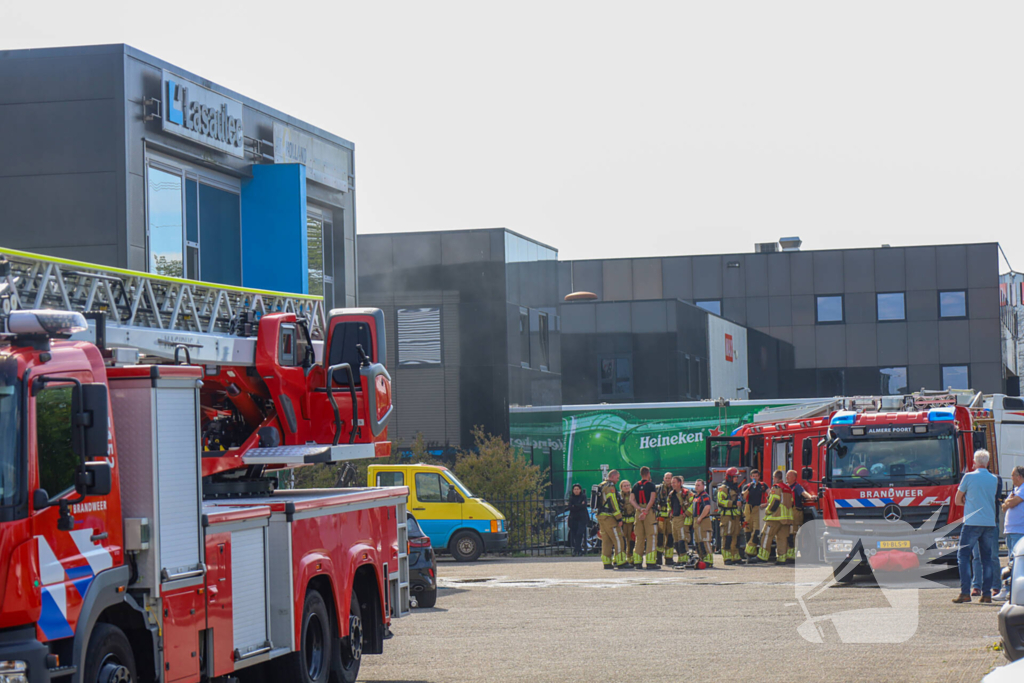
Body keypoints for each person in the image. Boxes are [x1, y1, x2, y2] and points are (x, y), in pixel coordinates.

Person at [953, 450, 999, 603]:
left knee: (964, 556)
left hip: (972, 522)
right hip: (989, 522)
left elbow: (957, 499)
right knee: (987, 559)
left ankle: (965, 592)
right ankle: (987, 594)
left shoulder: (968, 476)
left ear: (974, 462)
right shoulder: (994, 479)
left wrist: (967, 499)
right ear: (987, 462)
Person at [995, 466, 1024, 600]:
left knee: (1015, 562)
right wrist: (1007, 502)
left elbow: (1012, 503)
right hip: (1011, 530)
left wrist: (1007, 502)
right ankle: (1009, 589)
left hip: (1019, 530)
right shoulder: (1016, 490)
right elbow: (1004, 506)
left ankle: (1007, 590)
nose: (1011, 478)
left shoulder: (1023, 489)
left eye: (1013, 475)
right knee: (1011, 561)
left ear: (1020, 476)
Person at [758, 470, 791, 565]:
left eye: (773, 478)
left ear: (775, 478)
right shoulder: (787, 488)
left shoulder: (776, 487)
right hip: (786, 519)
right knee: (782, 538)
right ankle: (781, 558)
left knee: (766, 535)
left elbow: (775, 501)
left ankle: (762, 556)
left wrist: (768, 511)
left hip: (775, 517)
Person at [596, 470, 626, 570]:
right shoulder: (610, 486)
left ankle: (607, 562)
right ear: (612, 477)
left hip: (601, 516)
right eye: (617, 478)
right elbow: (612, 502)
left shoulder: (601, 485)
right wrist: (619, 518)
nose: (618, 480)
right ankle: (621, 561)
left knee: (606, 540)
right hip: (609, 517)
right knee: (618, 538)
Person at [631, 466, 659, 569]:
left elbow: (631, 500)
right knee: (651, 536)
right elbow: (652, 500)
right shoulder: (651, 485)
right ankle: (651, 562)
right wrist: (646, 511)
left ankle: (637, 562)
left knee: (639, 537)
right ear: (648, 474)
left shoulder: (635, 486)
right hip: (648, 512)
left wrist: (639, 509)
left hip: (638, 512)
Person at [785, 470, 817, 562]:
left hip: (796, 513)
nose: (787, 478)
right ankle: (789, 554)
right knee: (788, 534)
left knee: (795, 534)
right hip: (788, 513)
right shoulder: (786, 487)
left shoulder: (797, 487)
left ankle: (793, 555)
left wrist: (810, 497)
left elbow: (804, 493)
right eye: (786, 476)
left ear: (794, 478)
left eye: (789, 476)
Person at [717, 467, 743, 565]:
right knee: (727, 537)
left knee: (735, 537)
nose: (737, 478)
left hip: (736, 517)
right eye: (735, 476)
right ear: (730, 477)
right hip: (727, 517)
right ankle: (727, 558)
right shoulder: (724, 488)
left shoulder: (736, 487)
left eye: (737, 476)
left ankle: (735, 557)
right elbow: (720, 502)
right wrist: (733, 503)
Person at [743, 469, 769, 562]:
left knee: (757, 530)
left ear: (759, 477)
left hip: (757, 509)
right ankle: (750, 554)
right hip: (748, 508)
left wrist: (766, 504)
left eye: (756, 476)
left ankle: (749, 551)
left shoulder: (763, 485)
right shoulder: (747, 486)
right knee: (747, 529)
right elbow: (743, 497)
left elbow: (770, 494)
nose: (755, 478)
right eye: (753, 476)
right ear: (751, 477)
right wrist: (749, 488)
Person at [668, 476, 693, 562]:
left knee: (682, 539)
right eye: (672, 483)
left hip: (682, 519)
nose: (672, 484)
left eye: (674, 482)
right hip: (674, 519)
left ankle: (684, 559)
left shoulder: (687, 493)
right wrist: (669, 512)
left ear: (679, 483)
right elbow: (669, 504)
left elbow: (693, 505)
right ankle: (680, 559)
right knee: (676, 540)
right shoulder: (671, 494)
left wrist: (686, 513)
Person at [691, 479, 714, 567]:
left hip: (703, 520)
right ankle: (702, 558)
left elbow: (707, 507)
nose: (696, 487)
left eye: (698, 485)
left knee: (705, 540)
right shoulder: (696, 496)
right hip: (697, 520)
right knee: (698, 541)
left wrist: (700, 517)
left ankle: (709, 560)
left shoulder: (705, 496)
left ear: (703, 486)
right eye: (696, 485)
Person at [655, 472, 675, 565]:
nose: (667, 480)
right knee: (660, 538)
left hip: (671, 518)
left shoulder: (675, 490)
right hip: (661, 517)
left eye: (669, 478)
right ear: (663, 479)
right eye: (666, 478)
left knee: (670, 537)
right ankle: (658, 558)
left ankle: (669, 558)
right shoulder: (658, 489)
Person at [567, 483, 589, 557]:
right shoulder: (571, 498)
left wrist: (575, 505)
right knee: (574, 534)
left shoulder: (583, 496)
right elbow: (570, 507)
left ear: (580, 490)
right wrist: (579, 505)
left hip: (582, 518)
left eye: (577, 489)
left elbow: (584, 505)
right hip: (573, 518)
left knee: (580, 533)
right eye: (575, 489)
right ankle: (578, 550)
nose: (576, 491)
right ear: (573, 490)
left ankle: (577, 550)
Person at [620, 479, 637, 568]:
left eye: (628, 485)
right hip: (622, 522)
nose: (627, 487)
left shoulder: (633, 495)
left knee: (631, 541)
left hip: (631, 522)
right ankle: (621, 558)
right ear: (621, 488)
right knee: (622, 541)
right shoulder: (619, 496)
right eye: (625, 486)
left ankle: (631, 558)